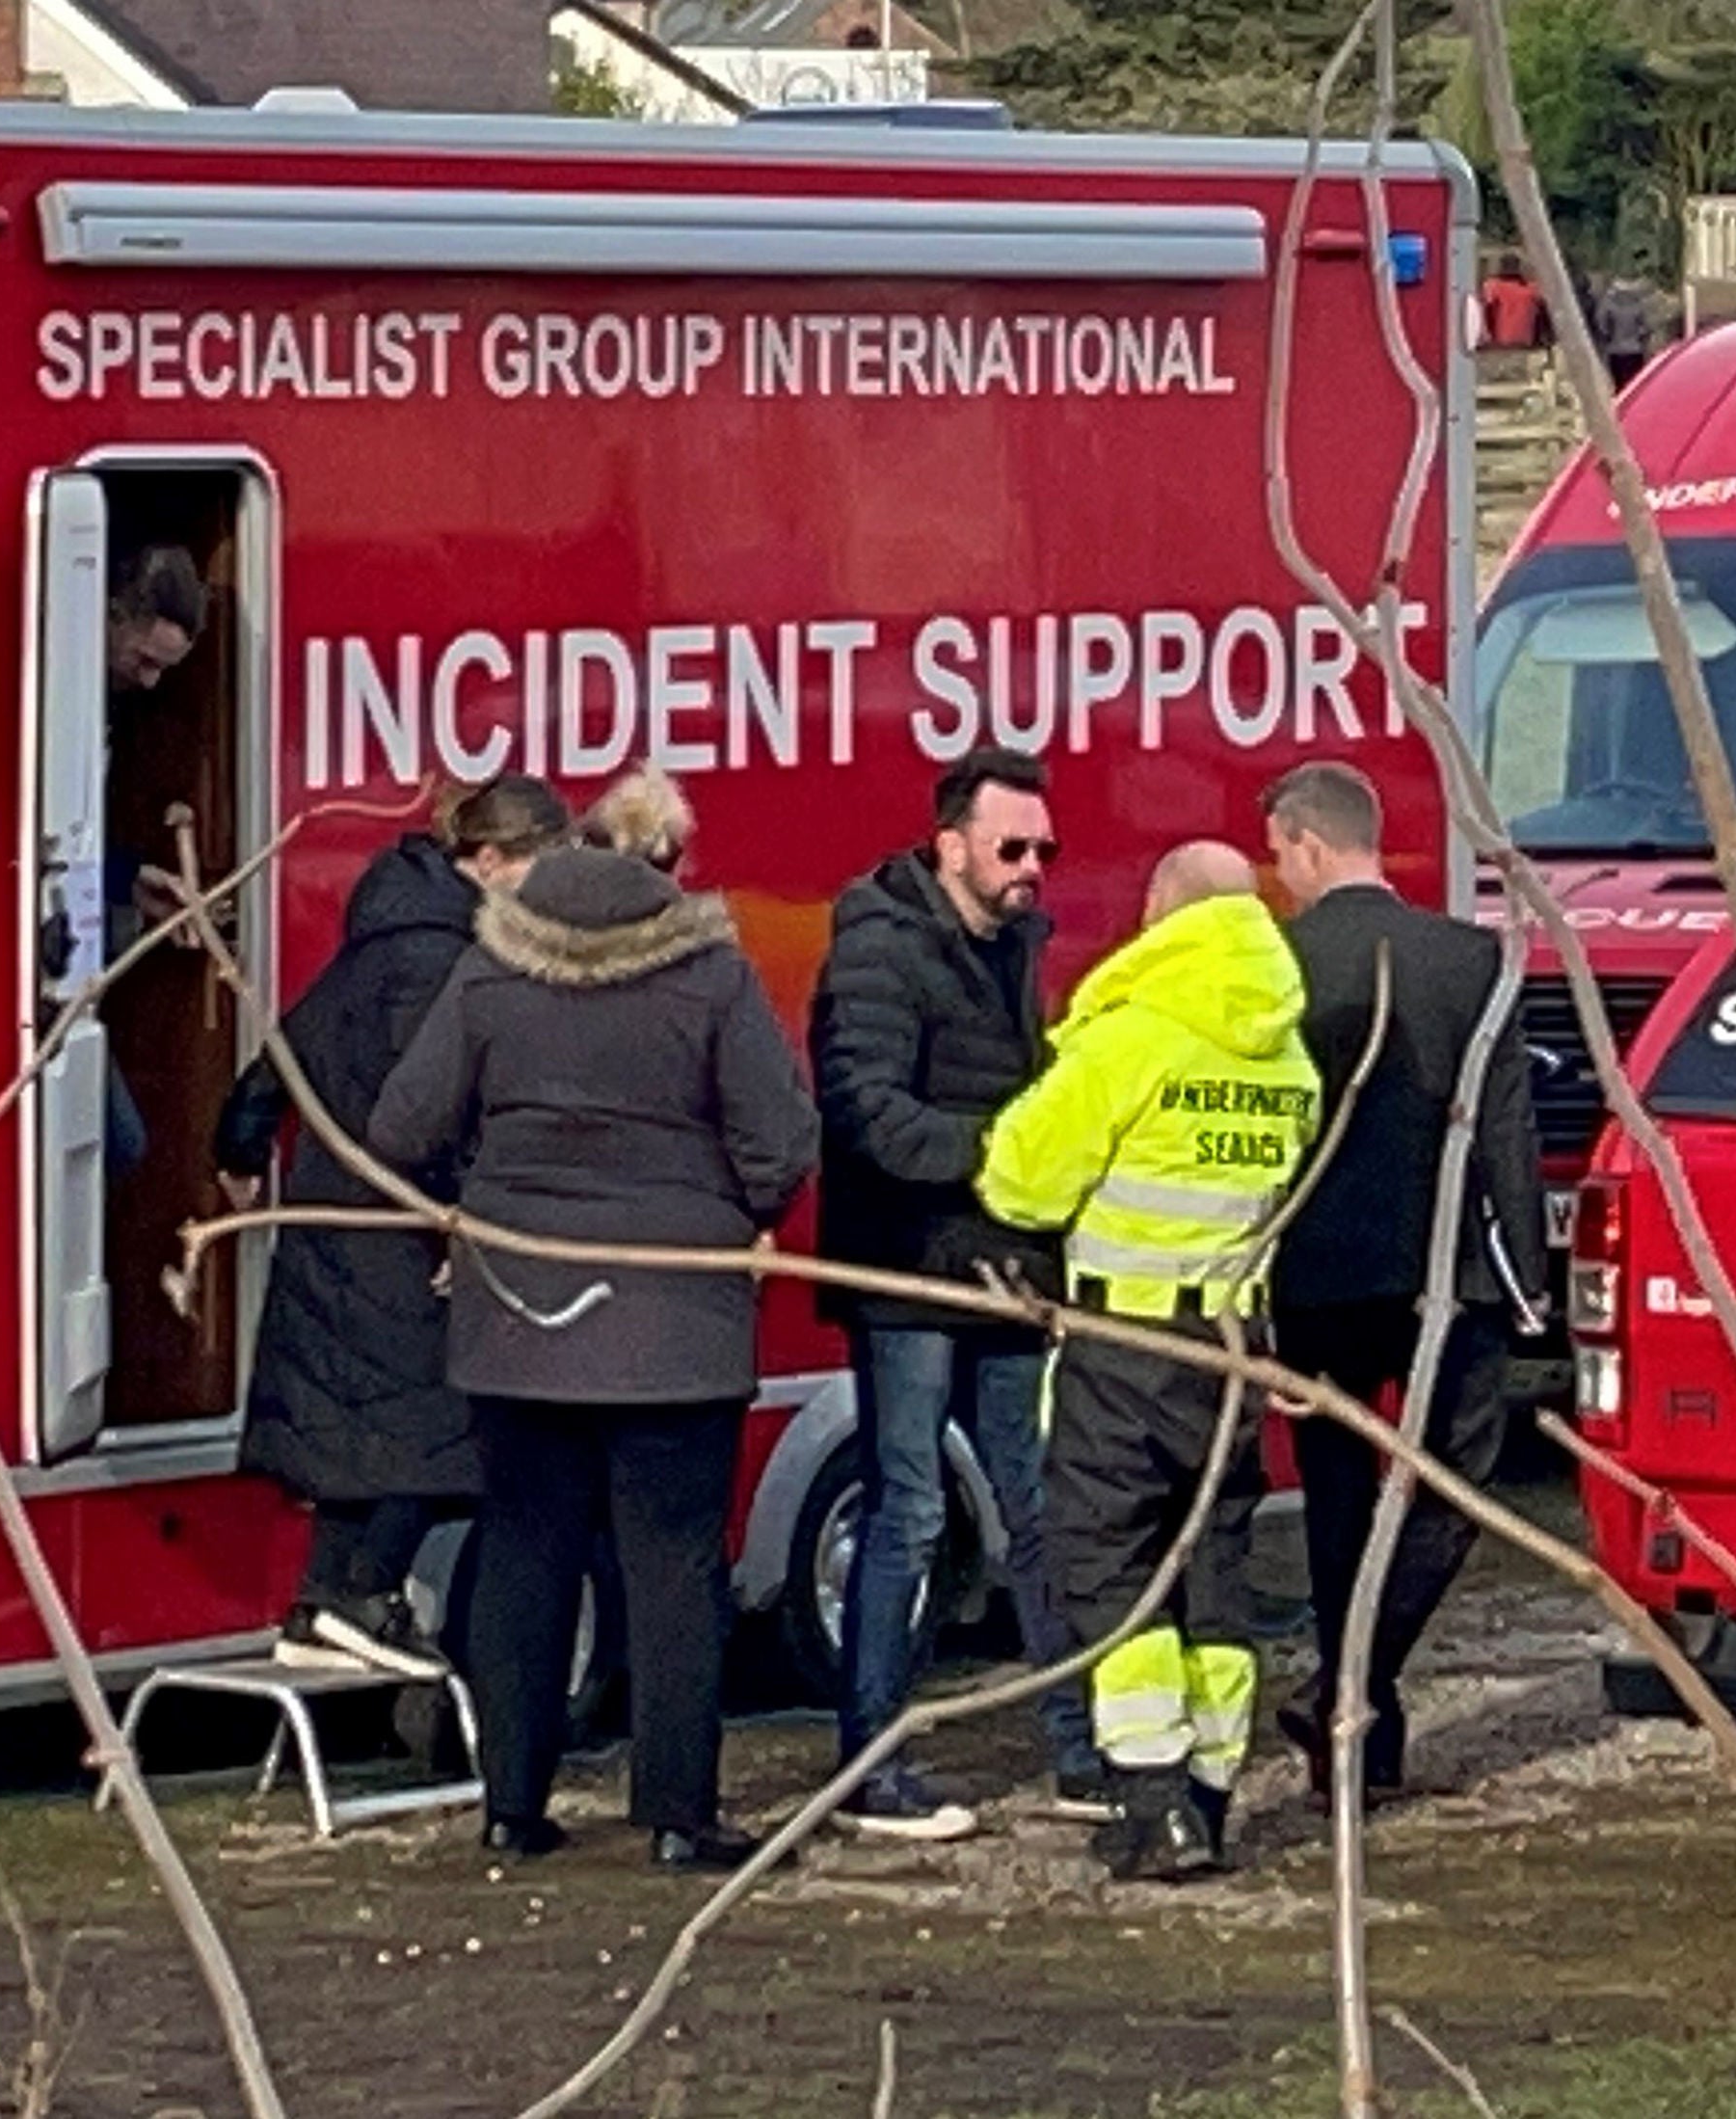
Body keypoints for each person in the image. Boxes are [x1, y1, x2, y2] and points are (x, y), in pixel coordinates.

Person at [369, 835, 817, 1866]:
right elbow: (781, 1141)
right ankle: (676, 1814)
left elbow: (402, 1123)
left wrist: (478, 1196)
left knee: (525, 1555)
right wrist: (734, 1209)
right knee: (674, 1568)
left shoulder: (490, 968)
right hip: (676, 1323)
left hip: (517, 1307)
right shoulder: (708, 971)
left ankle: (510, 1806)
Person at [977, 842, 1322, 1881]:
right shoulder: (1287, 1057)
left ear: (1165, 917)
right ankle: (1212, 1795)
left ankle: (1153, 1796)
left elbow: (1021, 1181)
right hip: (1231, 1350)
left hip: (1121, 1346)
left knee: (1110, 1564)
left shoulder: (1134, 1040)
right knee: (1213, 1571)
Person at [213, 775, 572, 1680]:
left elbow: (284, 1051)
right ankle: (363, 1590)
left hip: (341, 1221)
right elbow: (431, 1108)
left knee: (364, 1432)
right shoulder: (441, 959)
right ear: (488, 862)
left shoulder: (388, 937)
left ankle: (324, 1602)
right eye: (542, 868)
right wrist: (460, 1217)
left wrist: (239, 1148)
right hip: (395, 1230)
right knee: (445, 1427)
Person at [811, 749, 1101, 1839]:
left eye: (1045, 849)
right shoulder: (879, 949)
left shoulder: (1017, 943)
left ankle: (1079, 1751)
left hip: (1005, 1264)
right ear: (951, 848)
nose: (1033, 868)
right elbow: (868, 1116)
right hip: (905, 1271)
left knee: (1037, 1503)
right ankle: (871, 1763)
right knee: (912, 1509)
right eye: (1012, 847)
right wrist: (1014, 1151)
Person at [1259, 762, 1545, 1806]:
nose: (1280, 879)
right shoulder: (1473, 959)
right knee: (1457, 1484)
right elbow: (1506, 1129)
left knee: (1337, 1499)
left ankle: (1351, 1709)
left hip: (1317, 1271)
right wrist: (1529, 1278)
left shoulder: (1280, 962)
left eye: (1280, 857)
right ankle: (1358, 1703)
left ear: (1306, 841)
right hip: (1446, 1272)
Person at [92, 543, 212, 1176]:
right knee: (123, 1143)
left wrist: (124, 879)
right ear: (109, 615)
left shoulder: (105, 704)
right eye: (143, 660)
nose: (150, 682)